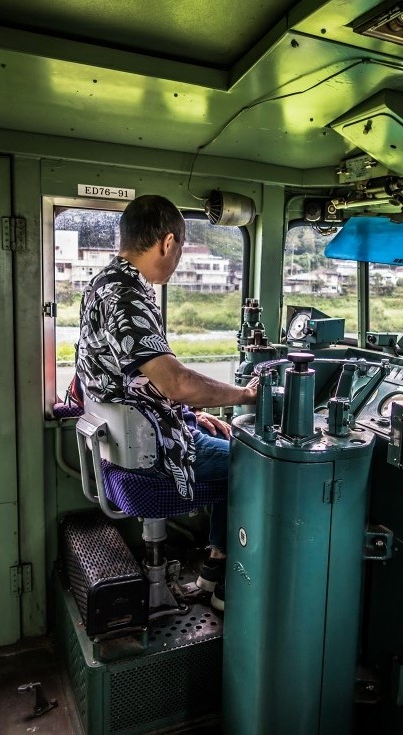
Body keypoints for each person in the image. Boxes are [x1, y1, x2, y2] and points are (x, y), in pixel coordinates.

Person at [76, 194, 258, 611]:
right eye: (178, 251)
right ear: (169, 242)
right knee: (251, 464)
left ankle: (212, 573)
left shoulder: (102, 284)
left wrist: (189, 414)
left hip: (139, 431)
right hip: (152, 449)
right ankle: (226, 576)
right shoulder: (127, 296)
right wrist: (245, 394)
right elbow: (174, 382)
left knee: (226, 442)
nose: (176, 262)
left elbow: (133, 380)